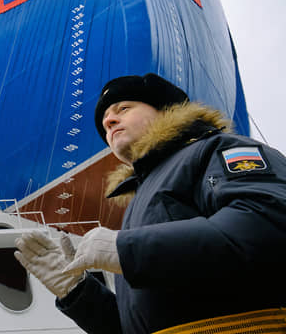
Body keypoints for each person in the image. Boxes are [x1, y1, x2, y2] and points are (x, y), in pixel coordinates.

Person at [15, 73, 286, 334]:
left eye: (123, 108)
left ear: (166, 110)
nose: (109, 121)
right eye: (104, 122)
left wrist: (129, 249)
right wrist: (77, 291)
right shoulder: (138, 202)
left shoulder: (217, 149)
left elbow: (268, 222)